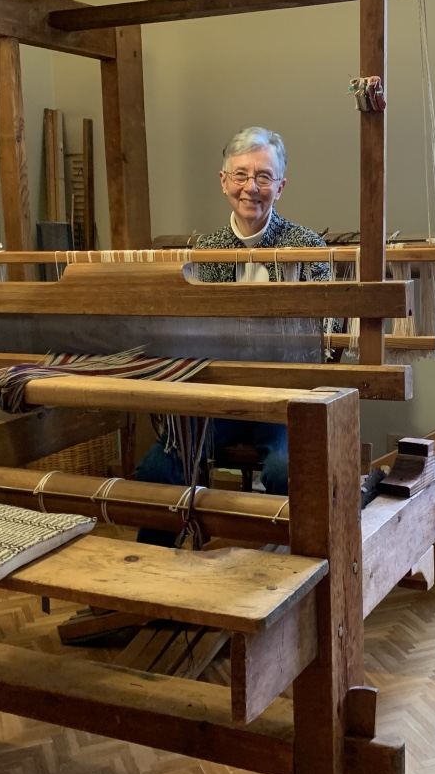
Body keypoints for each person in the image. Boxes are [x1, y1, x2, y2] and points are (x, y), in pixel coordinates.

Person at [135, 127, 330, 546]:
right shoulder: (206, 254)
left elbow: (327, 341)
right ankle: (151, 580)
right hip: (218, 397)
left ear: (280, 186)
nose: (251, 188)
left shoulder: (307, 248)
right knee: (157, 469)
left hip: (285, 402)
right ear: (224, 181)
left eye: (263, 176)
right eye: (240, 175)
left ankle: (292, 572)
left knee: (285, 472)